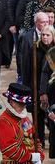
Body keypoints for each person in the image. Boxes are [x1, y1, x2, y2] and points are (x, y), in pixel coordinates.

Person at [19, 11, 50, 141]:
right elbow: (24, 62)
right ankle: (39, 140)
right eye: (43, 22)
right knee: (36, 113)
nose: (45, 25)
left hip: (47, 82)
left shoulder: (51, 36)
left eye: (47, 22)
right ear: (36, 22)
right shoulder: (27, 37)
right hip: (33, 80)